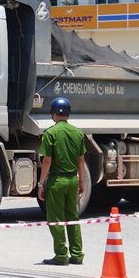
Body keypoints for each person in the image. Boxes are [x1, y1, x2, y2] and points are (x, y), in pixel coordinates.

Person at [37, 97, 86, 266]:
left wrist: (41, 183)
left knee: (56, 218)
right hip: (73, 179)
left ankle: (61, 255)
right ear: (68, 114)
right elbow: (81, 161)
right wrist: (82, 182)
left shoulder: (50, 133)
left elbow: (47, 161)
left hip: (57, 181)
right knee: (72, 217)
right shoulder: (78, 133)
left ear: (53, 114)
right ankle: (77, 254)